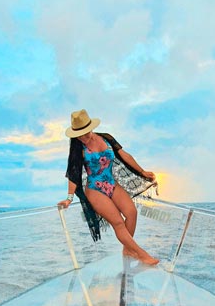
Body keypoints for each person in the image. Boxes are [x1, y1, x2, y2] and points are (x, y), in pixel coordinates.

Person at [58, 109, 160, 266]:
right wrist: (69, 198)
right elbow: (73, 174)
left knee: (131, 213)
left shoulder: (106, 138)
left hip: (112, 183)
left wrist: (142, 171)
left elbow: (124, 155)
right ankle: (142, 254)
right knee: (118, 223)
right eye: (78, 135)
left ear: (90, 128)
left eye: (85, 133)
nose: (83, 138)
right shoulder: (77, 149)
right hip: (94, 189)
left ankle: (127, 250)